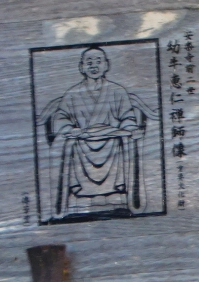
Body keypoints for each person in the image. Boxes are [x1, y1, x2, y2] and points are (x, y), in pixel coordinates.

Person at [39, 47, 155, 219]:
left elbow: (127, 117)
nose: (94, 66)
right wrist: (71, 129)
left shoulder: (117, 91)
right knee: (74, 145)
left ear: (106, 65)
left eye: (98, 61)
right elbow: (62, 117)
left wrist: (129, 128)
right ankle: (82, 193)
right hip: (82, 141)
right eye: (89, 62)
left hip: (112, 140)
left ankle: (114, 192)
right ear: (81, 67)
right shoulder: (72, 94)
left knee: (117, 142)